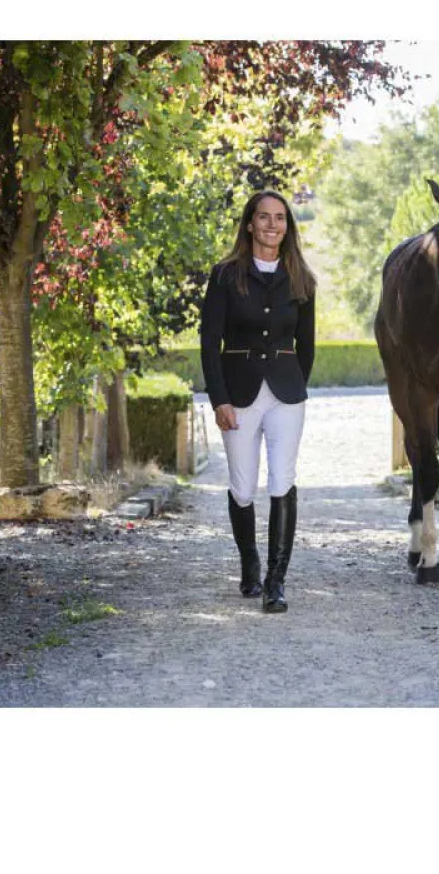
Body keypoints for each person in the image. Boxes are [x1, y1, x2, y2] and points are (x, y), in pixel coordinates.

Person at [200, 189, 316, 613]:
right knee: (243, 486)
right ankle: (249, 563)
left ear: (288, 225)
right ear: (250, 224)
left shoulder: (302, 278)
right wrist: (219, 399)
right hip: (239, 392)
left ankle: (275, 581)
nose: (272, 224)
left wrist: (295, 386)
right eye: (264, 217)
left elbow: (307, 346)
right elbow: (209, 344)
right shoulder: (226, 275)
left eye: (280, 217)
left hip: (286, 395)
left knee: (282, 480)